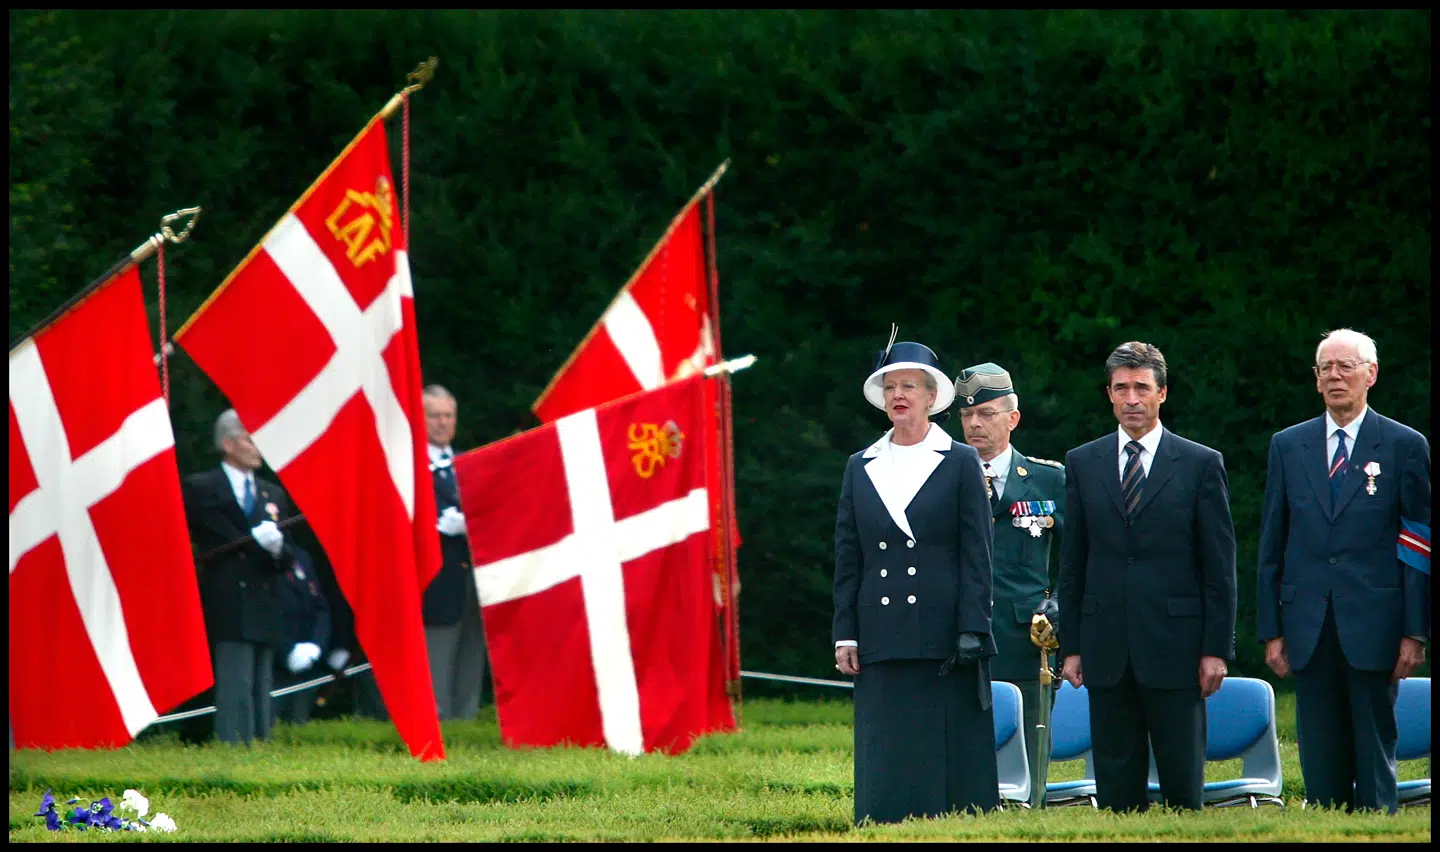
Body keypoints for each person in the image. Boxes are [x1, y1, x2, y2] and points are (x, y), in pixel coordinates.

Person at [1056, 341, 1237, 812]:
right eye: (1122, 388)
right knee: (1115, 784)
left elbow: (1219, 566)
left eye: (1141, 388)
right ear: (1109, 395)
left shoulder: (1200, 464)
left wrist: (1215, 649)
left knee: (1182, 782)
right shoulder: (1082, 462)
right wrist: (1071, 645)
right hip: (1105, 644)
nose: (1131, 398)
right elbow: (1073, 562)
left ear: (1162, 394)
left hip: (1177, 644)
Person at [1256, 328, 1430, 814]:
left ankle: (1377, 822)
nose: (1335, 376)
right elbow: (1272, 542)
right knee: (1319, 752)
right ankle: (1326, 821)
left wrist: (1415, 631)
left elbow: (1418, 545)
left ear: (1370, 374)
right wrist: (1271, 628)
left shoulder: (1403, 445)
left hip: (1376, 622)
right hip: (1307, 623)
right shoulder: (1289, 446)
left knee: (1374, 750)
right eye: (1325, 369)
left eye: (1345, 367)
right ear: (1315, 380)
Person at [833, 331, 999, 824]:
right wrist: (845, 632)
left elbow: (978, 555)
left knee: (945, 770)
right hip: (881, 636)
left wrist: (975, 628)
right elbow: (849, 558)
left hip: (944, 638)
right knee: (888, 759)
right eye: (890, 387)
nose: (899, 395)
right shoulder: (860, 466)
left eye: (909, 386)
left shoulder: (961, 461)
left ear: (932, 397)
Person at [955, 362, 1065, 809]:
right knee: (962, 754)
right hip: (959, 639)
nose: (975, 424)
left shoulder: (1048, 479)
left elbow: (1079, 558)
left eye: (986, 413)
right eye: (966, 416)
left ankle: (1031, 816)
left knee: (1030, 754)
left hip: (1026, 640)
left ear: (1013, 418)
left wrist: (1058, 605)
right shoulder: (944, 476)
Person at [182, 409, 294, 745]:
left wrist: (275, 549)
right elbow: (220, 537)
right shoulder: (203, 487)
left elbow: (287, 555)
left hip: (264, 599)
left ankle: (259, 751)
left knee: (261, 687)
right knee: (235, 686)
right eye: (250, 438)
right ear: (229, 443)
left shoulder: (271, 493)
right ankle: (232, 752)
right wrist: (259, 544)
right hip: (227, 598)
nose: (258, 446)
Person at [420, 384, 488, 721]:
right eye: (435, 416)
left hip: (471, 580)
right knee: (438, 668)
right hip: (436, 581)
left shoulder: (467, 463)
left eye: (449, 415)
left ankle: (466, 731)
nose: (443, 423)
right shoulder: (410, 468)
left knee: (469, 665)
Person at [271, 545, 331, 727]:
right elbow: (263, 609)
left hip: (307, 660)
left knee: (298, 725)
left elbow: (320, 606)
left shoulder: (300, 555)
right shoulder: (258, 554)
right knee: (267, 727)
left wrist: (316, 645)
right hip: (274, 661)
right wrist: (286, 650)